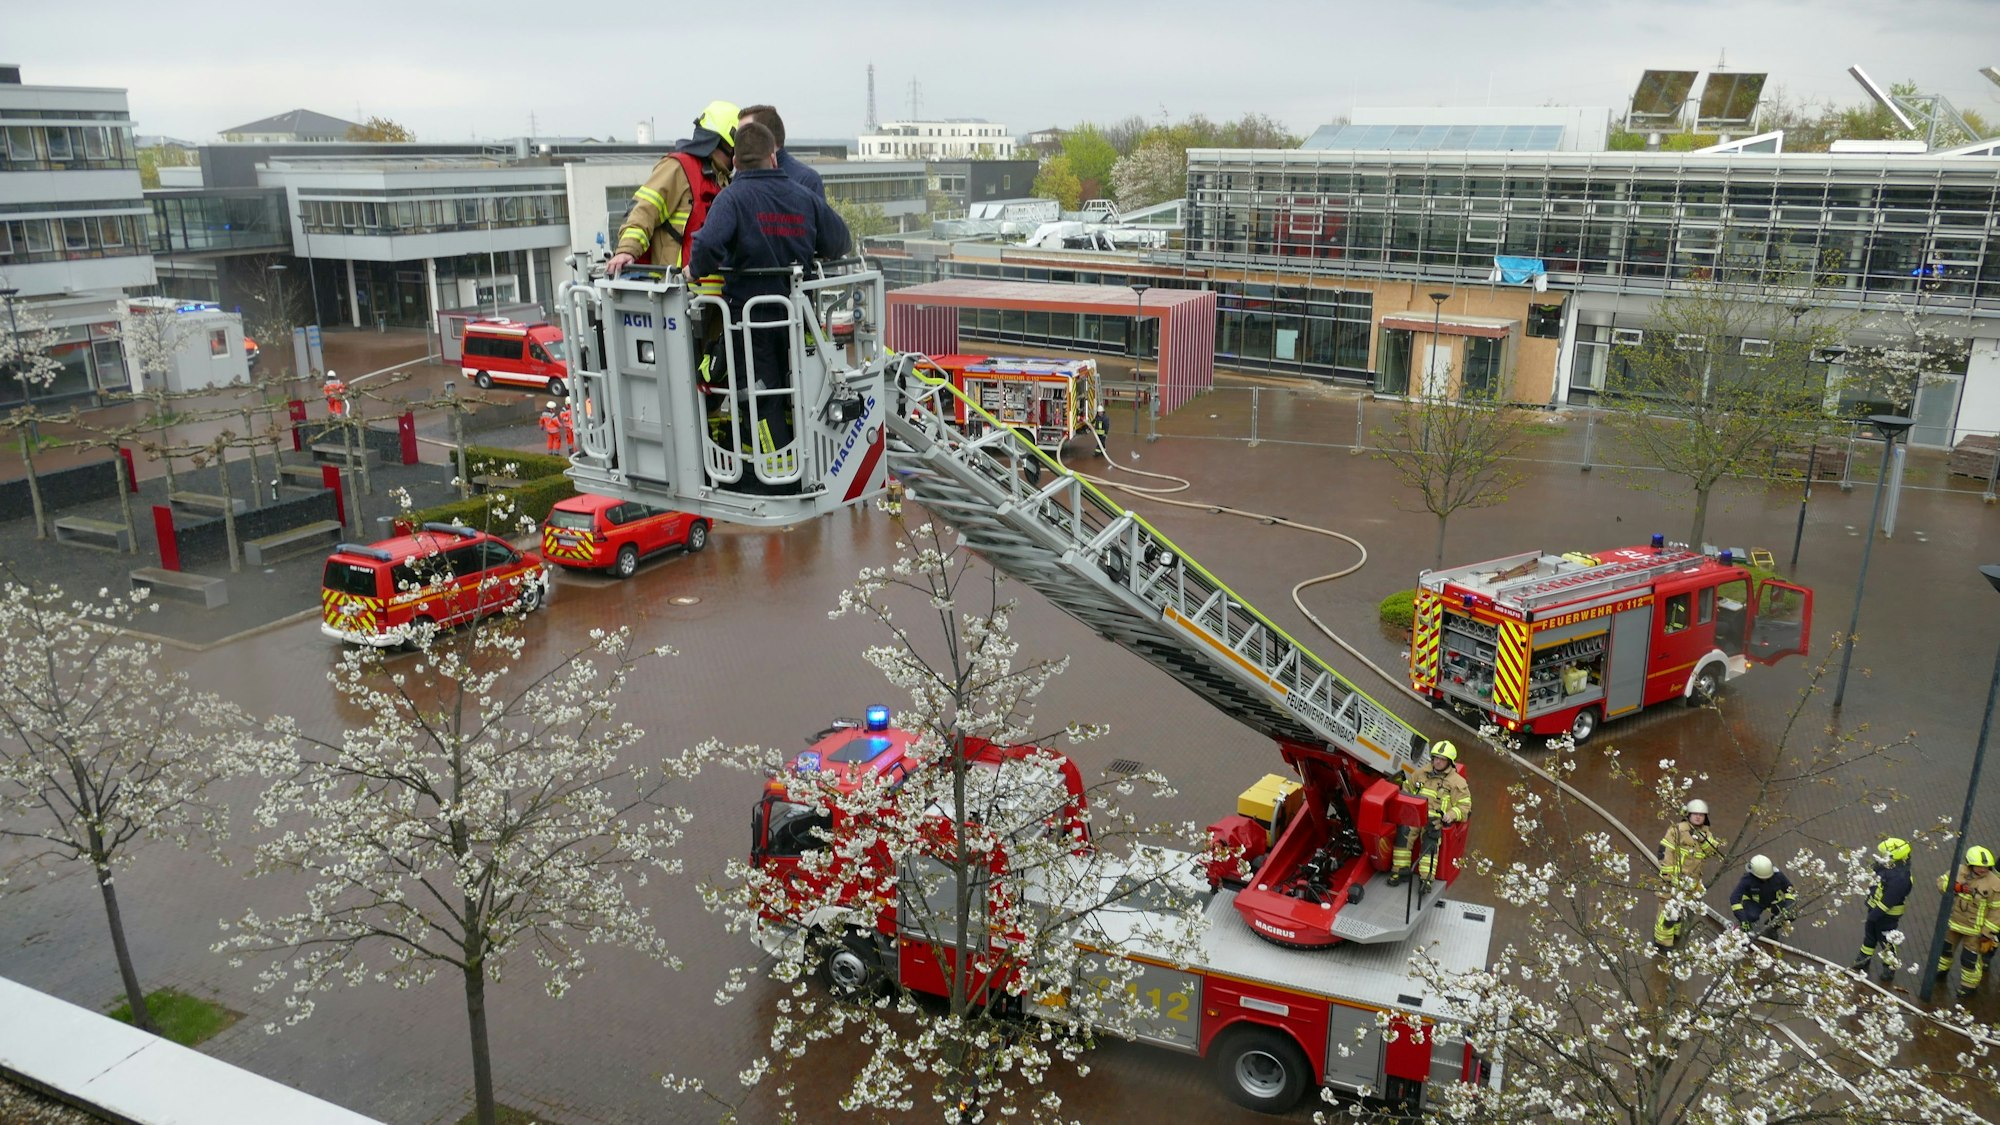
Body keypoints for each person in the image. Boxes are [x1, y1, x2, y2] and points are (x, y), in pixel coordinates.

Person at [688, 121, 850, 457]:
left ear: (735, 162)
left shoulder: (731, 200)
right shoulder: (803, 197)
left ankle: (775, 468)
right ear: (773, 158)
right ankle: (807, 458)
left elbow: (705, 247)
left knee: (760, 397)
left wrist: (692, 271)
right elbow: (839, 241)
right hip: (797, 319)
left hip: (749, 326)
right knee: (801, 392)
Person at [604, 100, 738, 296]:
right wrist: (627, 249)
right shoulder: (678, 168)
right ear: (725, 144)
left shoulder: (722, 180)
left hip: (715, 301)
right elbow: (643, 210)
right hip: (677, 296)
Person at [1387, 740, 1471, 887]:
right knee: (1403, 833)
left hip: (1435, 819)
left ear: (1449, 762)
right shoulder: (1421, 773)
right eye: (1435, 758)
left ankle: (1426, 880)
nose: (1437, 762)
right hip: (1415, 816)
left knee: (1430, 842)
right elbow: (1407, 789)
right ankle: (1400, 872)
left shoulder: (1458, 782)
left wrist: (1451, 814)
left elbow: (1464, 807)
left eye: (1442, 759)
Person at [1654, 798, 1724, 950]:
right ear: (1688, 814)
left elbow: (1713, 851)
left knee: (1680, 910)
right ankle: (1662, 942)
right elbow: (1665, 851)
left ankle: (1675, 934)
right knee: (1668, 911)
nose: (1698, 817)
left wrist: (1704, 840)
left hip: (1691, 882)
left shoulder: (1706, 834)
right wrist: (1667, 875)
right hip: (1673, 879)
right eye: (1695, 814)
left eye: (1702, 814)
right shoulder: (1677, 830)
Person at [1935, 845, 2000, 1002]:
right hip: (1954, 923)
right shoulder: (1959, 872)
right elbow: (1941, 883)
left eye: (1986, 867)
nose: (1983, 869)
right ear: (1970, 864)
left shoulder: (1995, 883)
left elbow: (1996, 911)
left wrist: (1987, 933)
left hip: (1975, 930)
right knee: (1945, 950)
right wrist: (1954, 886)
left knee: (1969, 959)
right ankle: (1940, 971)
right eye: (1979, 866)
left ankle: (1969, 985)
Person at [1853, 836, 1913, 983]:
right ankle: (1864, 958)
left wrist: (1875, 914)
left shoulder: (1901, 878)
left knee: (1886, 941)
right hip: (1875, 910)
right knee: (1870, 935)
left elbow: (1889, 900)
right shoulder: (1888, 868)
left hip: (1887, 915)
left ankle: (1889, 967)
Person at [737, 104, 825, 200]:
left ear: (766, 135)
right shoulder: (741, 176)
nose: (739, 142)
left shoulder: (806, 180)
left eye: (746, 135)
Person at [1728, 855, 1797, 936]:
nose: (1765, 879)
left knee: (1791, 915)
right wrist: (1743, 919)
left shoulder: (1778, 876)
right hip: (1754, 902)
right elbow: (1734, 898)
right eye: (1762, 878)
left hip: (1773, 901)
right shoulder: (1747, 880)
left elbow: (1790, 890)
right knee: (1750, 916)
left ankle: (1772, 927)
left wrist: (1788, 906)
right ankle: (1745, 926)